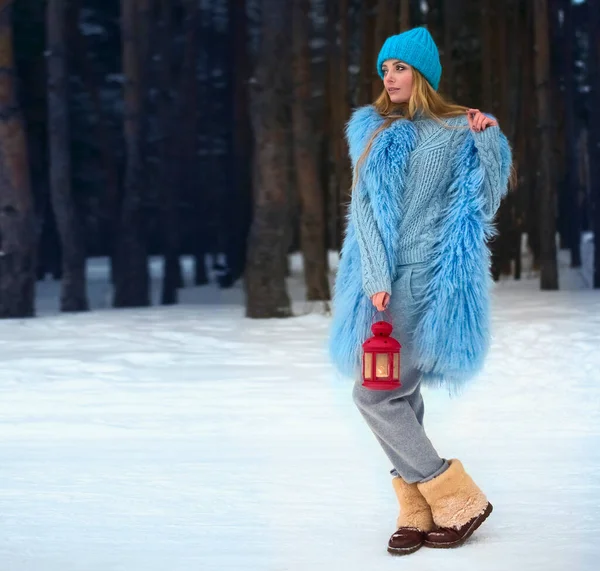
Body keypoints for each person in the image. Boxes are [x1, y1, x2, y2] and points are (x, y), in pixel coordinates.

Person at [328, 27, 513, 556]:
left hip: (424, 277)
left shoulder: (457, 129)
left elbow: (487, 197)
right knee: (397, 392)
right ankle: (420, 508)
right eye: (385, 69)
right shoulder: (371, 129)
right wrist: (376, 278)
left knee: (375, 393)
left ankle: (456, 499)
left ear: (423, 75)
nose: (389, 77)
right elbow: (364, 208)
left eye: (400, 68)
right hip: (377, 279)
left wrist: (487, 140)